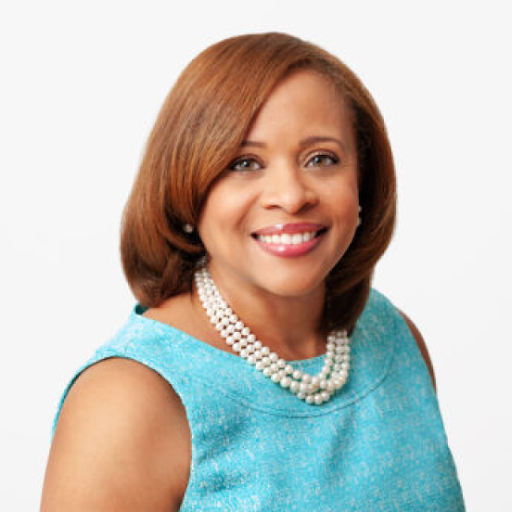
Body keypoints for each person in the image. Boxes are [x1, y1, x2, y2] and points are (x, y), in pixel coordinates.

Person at [41, 32, 465, 511]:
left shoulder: (395, 338)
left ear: (363, 179)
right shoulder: (128, 400)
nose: (290, 194)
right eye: (244, 163)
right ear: (187, 188)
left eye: (321, 158)